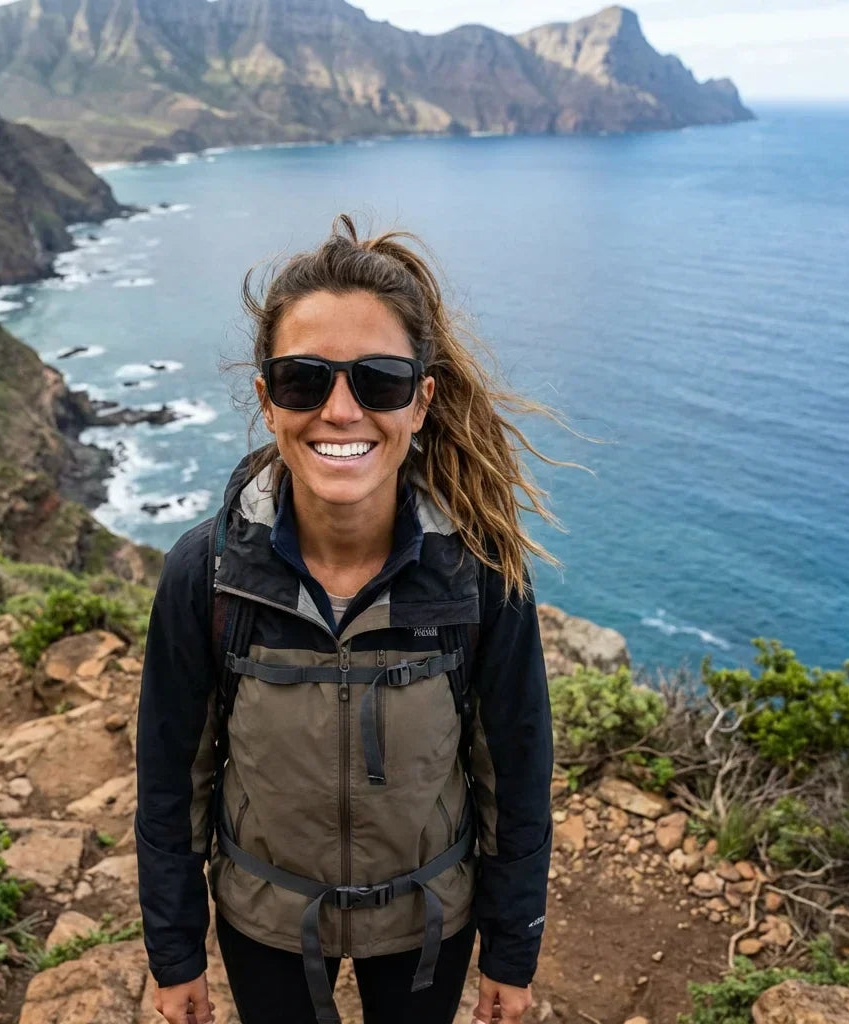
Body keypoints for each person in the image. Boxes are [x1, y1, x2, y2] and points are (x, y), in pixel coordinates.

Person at [135, 215, 557, 1024]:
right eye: (303, 380)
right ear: (267, 401)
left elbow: (515, 776)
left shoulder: (480, 575)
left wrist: (512, 949)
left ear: (421, 402)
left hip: (427, 921)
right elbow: (170, 779)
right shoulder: (207, 573)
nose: (339, 410)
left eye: (379, 381)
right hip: (268, 918)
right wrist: (175, 951)